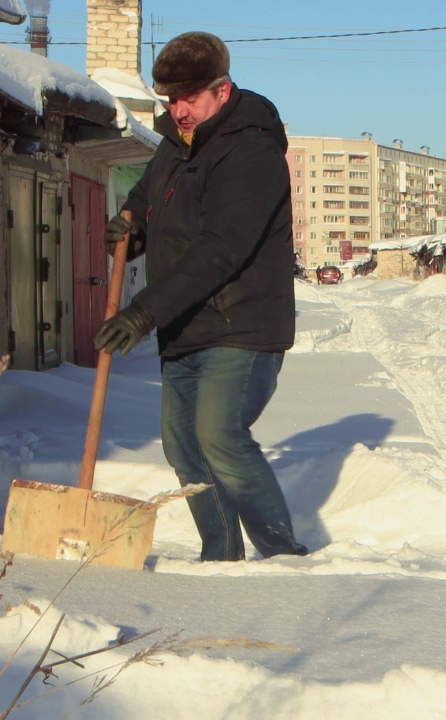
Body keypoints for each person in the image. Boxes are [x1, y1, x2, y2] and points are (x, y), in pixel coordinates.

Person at [94, 31, 308, 562]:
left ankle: (282, 554)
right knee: (183, 446)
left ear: (222, 89)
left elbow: (222, 248)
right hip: (185, 327)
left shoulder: (250, 149)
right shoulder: (176, 142)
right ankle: (221, 555)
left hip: (242, 324)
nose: (179, 110)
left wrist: (142, 312)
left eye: (189, 99)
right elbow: (145, 201)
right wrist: (132, 228)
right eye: (172, 100)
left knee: (219, 435)